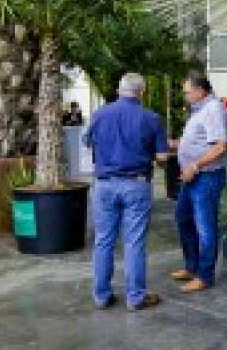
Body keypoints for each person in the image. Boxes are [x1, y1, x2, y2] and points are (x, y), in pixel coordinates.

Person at [85, 73, 169, 311]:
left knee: (103, 241)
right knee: (134, 242)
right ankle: (135, 297)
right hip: (136, 184)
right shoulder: (151, 118)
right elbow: (162, 158)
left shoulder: (99, 114)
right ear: (142, 92)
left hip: (104, 184)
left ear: (119, 90)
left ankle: (101, 296)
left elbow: (88, 143)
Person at [169, 75, 227, 292]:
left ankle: (205, 276)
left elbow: (221, 146)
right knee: (184, 219)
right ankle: (192, 267)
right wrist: (175, 144)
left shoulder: (213, 109)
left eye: (187, 92)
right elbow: (198, 141)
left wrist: (194, 166)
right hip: (193, 176)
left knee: (205, 227)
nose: (185, 96)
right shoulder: (200, 110)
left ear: (200, 91)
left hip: (206, 177)